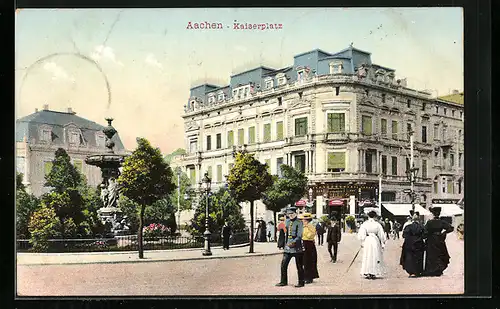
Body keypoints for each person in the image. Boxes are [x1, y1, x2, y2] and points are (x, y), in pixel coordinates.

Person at [276, 207, 305, 288]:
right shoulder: (287, 221)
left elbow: (299, 236)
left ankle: (301, 282)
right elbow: (284, 233)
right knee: (283, 265)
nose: (290, 215)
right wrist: (283, 244)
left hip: (297, 248)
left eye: (292, 214)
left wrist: (293, 242)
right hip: (287, 248)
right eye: (289, 214)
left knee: (299, 266)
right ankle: (283, 281)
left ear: (295, 213)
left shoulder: (299, 222)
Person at [423, 207, 454, 277]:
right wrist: (444, 233)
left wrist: (425, 236)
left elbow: (425, 232)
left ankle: (431, 270)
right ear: (439, 214)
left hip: (431, 240)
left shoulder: (429, 222)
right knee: (439, 254)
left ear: (433, 214)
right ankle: (438, 270)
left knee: (431, 255)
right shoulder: (442, 222)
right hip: (439, 240)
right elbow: (451, 228)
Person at [357, 210, 387, 279]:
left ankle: (367, 271)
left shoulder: (365, 224)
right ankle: (373, 271)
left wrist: (362, 241)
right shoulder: (377, 224)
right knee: (375, 255)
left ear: (368, 216)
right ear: (375, 216)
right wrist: (383, 242)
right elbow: (381, 235)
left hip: (368, 240)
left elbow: (361, 234)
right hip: (375, 240)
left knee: (367, 255)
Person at [400, 212, 425, 277]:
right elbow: (424, 235)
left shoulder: (408, 227)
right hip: (419, 243)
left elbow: (404, 235)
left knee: (410, 258)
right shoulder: (421, 227)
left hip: (410, 244)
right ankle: (418, 271)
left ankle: (411, 271)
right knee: (419, 258)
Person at [301, 213, 319, 284]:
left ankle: (309, 277)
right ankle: (306, 276)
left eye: (303, 220)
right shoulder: (303, 226)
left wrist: (306, 237)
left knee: (309, 260)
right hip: (304, 243)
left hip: (309, 244)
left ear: (306, 220)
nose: (302, 221)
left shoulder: (310, 226)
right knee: (304, 261)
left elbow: (312, 234)